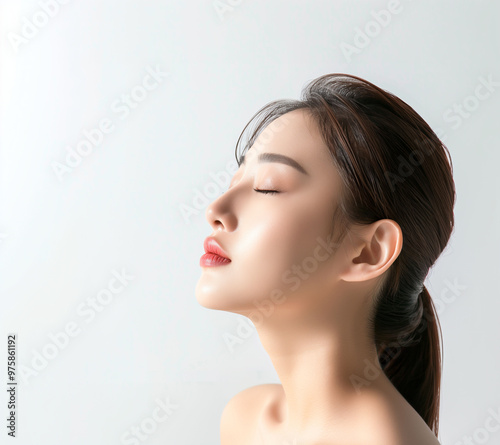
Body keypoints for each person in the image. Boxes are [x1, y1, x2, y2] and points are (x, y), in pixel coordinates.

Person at [196, 73, 455, 445]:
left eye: (267, 187)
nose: (215, 209)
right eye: (235, 181)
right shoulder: (246, 420)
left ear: (369, 251)